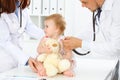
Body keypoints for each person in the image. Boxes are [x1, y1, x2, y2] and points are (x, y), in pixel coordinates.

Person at [0, 0, 44, 72]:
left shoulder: (20, 5)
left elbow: (28, 27)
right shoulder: (2, 10)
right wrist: (26, 59)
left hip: (16, 58)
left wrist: (51, 35)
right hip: (3, 61)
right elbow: (4, 41)